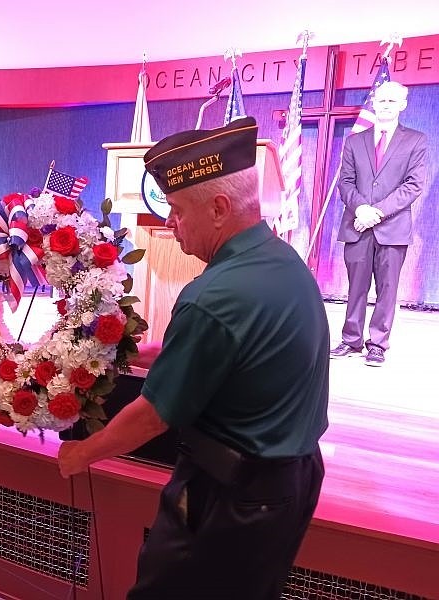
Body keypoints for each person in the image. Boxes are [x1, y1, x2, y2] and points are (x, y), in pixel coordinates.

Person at [57, 117, 329, 599]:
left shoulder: (213, 295)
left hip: (229, 496)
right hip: (289, 484)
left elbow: (152, 418)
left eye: (178, 210)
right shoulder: (283, 261)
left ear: (220, 208)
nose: (168, 223)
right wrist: (125, 354)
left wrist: (82, 453)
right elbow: (226, 354)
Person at [332, 80, 428, 367]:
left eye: (391, 101)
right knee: (356, 287)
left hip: (392, 228)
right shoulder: (354, 141)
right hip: (357, 225)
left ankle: (378, 344)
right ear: (374, 103)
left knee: (387, 289)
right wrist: (361, 208)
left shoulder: (416, 140)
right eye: (381, 100)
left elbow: (413, 185)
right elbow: (345, 182)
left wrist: (377, 212)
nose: (385, 105)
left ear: (402, 105)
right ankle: (351, 339)